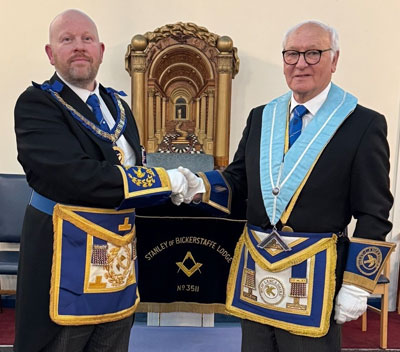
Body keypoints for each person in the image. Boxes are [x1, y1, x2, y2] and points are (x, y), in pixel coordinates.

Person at [180, 20, 393, 352]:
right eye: (292, 53)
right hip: (258, 277)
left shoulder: (362, 124)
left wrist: (357, 284)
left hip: (315, 281)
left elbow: (374, 212)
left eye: (313, 53)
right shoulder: (262, 116)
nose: (301, 63)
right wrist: (200, 185)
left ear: (334, 60)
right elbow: (238, 180)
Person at [14, 9, 188, 352]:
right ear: (51, 53)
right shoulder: (37, 104)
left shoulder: (118, 105)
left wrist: (188, 189)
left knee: (112, 343)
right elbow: (76, 177)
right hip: (62, 259)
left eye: (87, 39)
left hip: (116, 262)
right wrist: (167, 180)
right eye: (67, 40)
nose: (79, 47)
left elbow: (133, 169)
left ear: (101, 50)